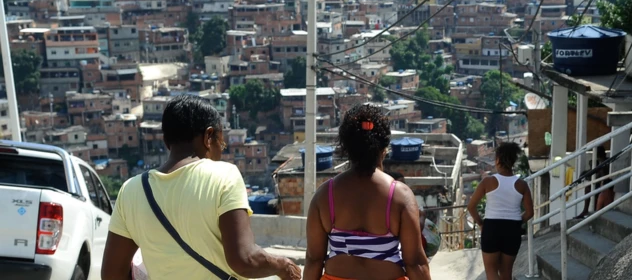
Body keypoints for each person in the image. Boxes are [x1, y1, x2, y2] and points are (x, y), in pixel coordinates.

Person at [102, 95, 301, 280]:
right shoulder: (225, 176)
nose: (220, 153)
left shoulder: (130, 190)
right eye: (221, 145)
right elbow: (244, 260)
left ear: (166, 141)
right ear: (208, 136)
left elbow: (111, 274)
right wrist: (281, 265)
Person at [304, 104, 431, 280]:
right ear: (384, 149)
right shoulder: (401, 196)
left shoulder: (324, 195)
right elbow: (415, 262)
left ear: (345, 148)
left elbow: (313, 260)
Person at [467, 142, 534, 280]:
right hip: (513, 229)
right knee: (506, 273)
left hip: (491, 227)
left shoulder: (488, 182)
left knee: (491, 272)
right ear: (514, 161)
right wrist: (517, 221)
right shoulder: (522, 184)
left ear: (498, 160)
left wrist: (481, 223)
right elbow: (529, 213)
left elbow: (471, 206)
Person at [576, 146, 614, 218]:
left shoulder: (606, 162)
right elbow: (593, 172)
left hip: (606, 185)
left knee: (592, 190)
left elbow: (601, 175)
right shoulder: (599, 162)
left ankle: (592, 213)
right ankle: (586, 210)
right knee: (588, 188)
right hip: (600, 184)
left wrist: (591, 177)